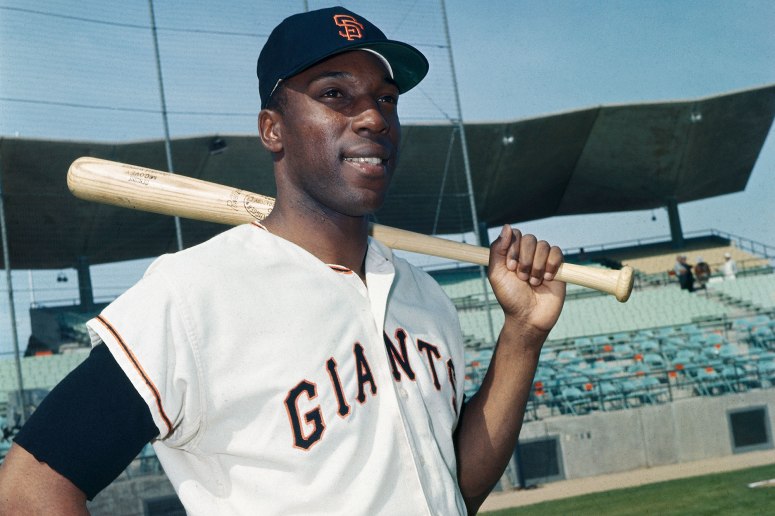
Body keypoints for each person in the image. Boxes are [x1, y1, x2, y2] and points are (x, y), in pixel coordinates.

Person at [0, 7, 565, 515]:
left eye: (386, 98)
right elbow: (29, 489)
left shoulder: (425, 298)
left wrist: (522, 335)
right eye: (334, 95)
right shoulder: (192, 297)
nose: (373, 117)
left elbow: (454, 488)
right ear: (273, 130)